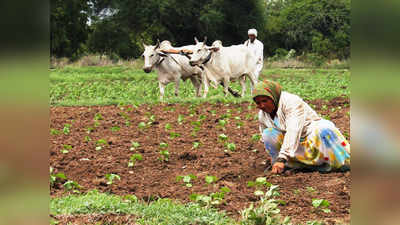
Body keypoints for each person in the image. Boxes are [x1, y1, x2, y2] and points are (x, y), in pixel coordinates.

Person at [253, 80, 350, 174]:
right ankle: (291, 165)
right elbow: (264, 136)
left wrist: (282, 157)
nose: (262, 105)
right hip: (292, 146)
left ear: (273, 96)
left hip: (310, 136)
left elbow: (293, 130)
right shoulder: (262, 115)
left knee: (324, 129)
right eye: (258, 103)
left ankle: (338, 164)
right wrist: (274, 156)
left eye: (265, 101)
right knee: (268, 133)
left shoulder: (291, 101)